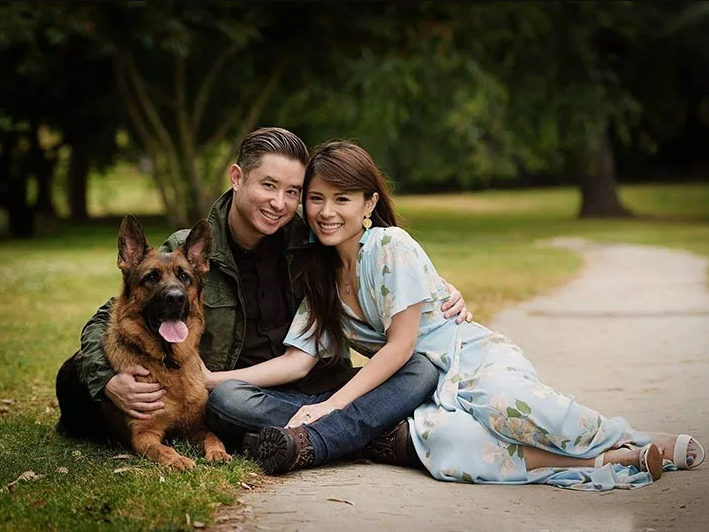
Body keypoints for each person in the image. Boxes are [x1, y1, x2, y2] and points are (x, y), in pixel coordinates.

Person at [238, 140, 705, 489]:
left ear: (369, 204)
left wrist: (332, 404)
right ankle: (607, 463)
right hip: (426, 393)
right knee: (448, 447)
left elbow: (401, 347)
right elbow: (298, 360)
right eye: (316, 198)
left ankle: (640, 439)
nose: (325, 211)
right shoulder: (320, 282)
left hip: (470, 358)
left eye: (342, 199)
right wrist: (212, 381)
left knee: (509, 405)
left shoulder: (390, 246)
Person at [55, 127, 471, 467]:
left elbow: (376, 254)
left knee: (418, 367)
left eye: (293, 192)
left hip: (323, 386)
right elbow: (106, 319)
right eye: (268, 186)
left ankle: (320, 438)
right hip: (249, 394)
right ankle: (372, 435)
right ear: (237, 178)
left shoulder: (313, 239)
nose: (279, 203)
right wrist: (107, 380)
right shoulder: (188, 252)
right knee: (225, 403)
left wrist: (436, 288)